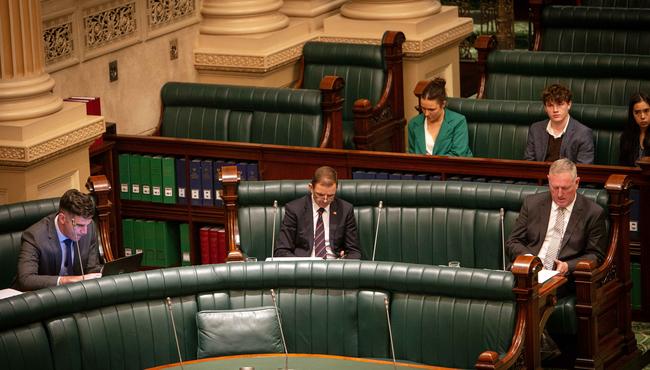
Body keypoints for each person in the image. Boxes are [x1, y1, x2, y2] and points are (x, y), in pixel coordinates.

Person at [506, 158, 607, 283]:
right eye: (555, 187)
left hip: (563, 279)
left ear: (577, 183)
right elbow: (513, 242)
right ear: (549, 180)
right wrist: (530, 261)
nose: (559, 194)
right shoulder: (532, 203)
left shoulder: (592, 213)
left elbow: (596, 256)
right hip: (527, 274)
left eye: (565, 188)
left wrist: (568, 266)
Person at [15, 189, 102, 291]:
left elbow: (91, 268)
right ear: (62, 219)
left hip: (76, 295)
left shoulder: (89, 227)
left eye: (87, 224)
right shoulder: (34, 236)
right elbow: (26, 280)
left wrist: (106, 271)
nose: (85, 231)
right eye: (79, 225)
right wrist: (66, 280)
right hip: (42, 297)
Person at [275, 166, 361, 259]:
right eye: (320, 194)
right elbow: (282, 250)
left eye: (330, 196)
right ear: (311, 188)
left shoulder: (345, 210)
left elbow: (354, 251)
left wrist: (345, 259)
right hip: (304, 266)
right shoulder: (295, 209)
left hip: (334, 267)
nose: (325, 200)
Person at [525, 84, 594, 164]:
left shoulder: (583, 133)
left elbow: (583, 169)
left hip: (568, 176)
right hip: (539, 175)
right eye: (550, 105)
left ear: (569, 105)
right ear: (545, 108)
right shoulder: (535, 129)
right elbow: (529, 163)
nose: (555, 110)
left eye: (560, 104)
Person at [407, 77, 473, 157]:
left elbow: (458, 154)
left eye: (431, 109)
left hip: (452, 168)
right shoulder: (413, 124)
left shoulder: (458, 122)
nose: (426, 114)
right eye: (423, 108)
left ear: (443, 104)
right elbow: (411, 155)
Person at [619, 92, 650, 166]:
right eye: (637, 112)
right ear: (632, 114)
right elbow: (622, 166)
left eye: (646, 111)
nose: (642, 116)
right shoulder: (626, 137)